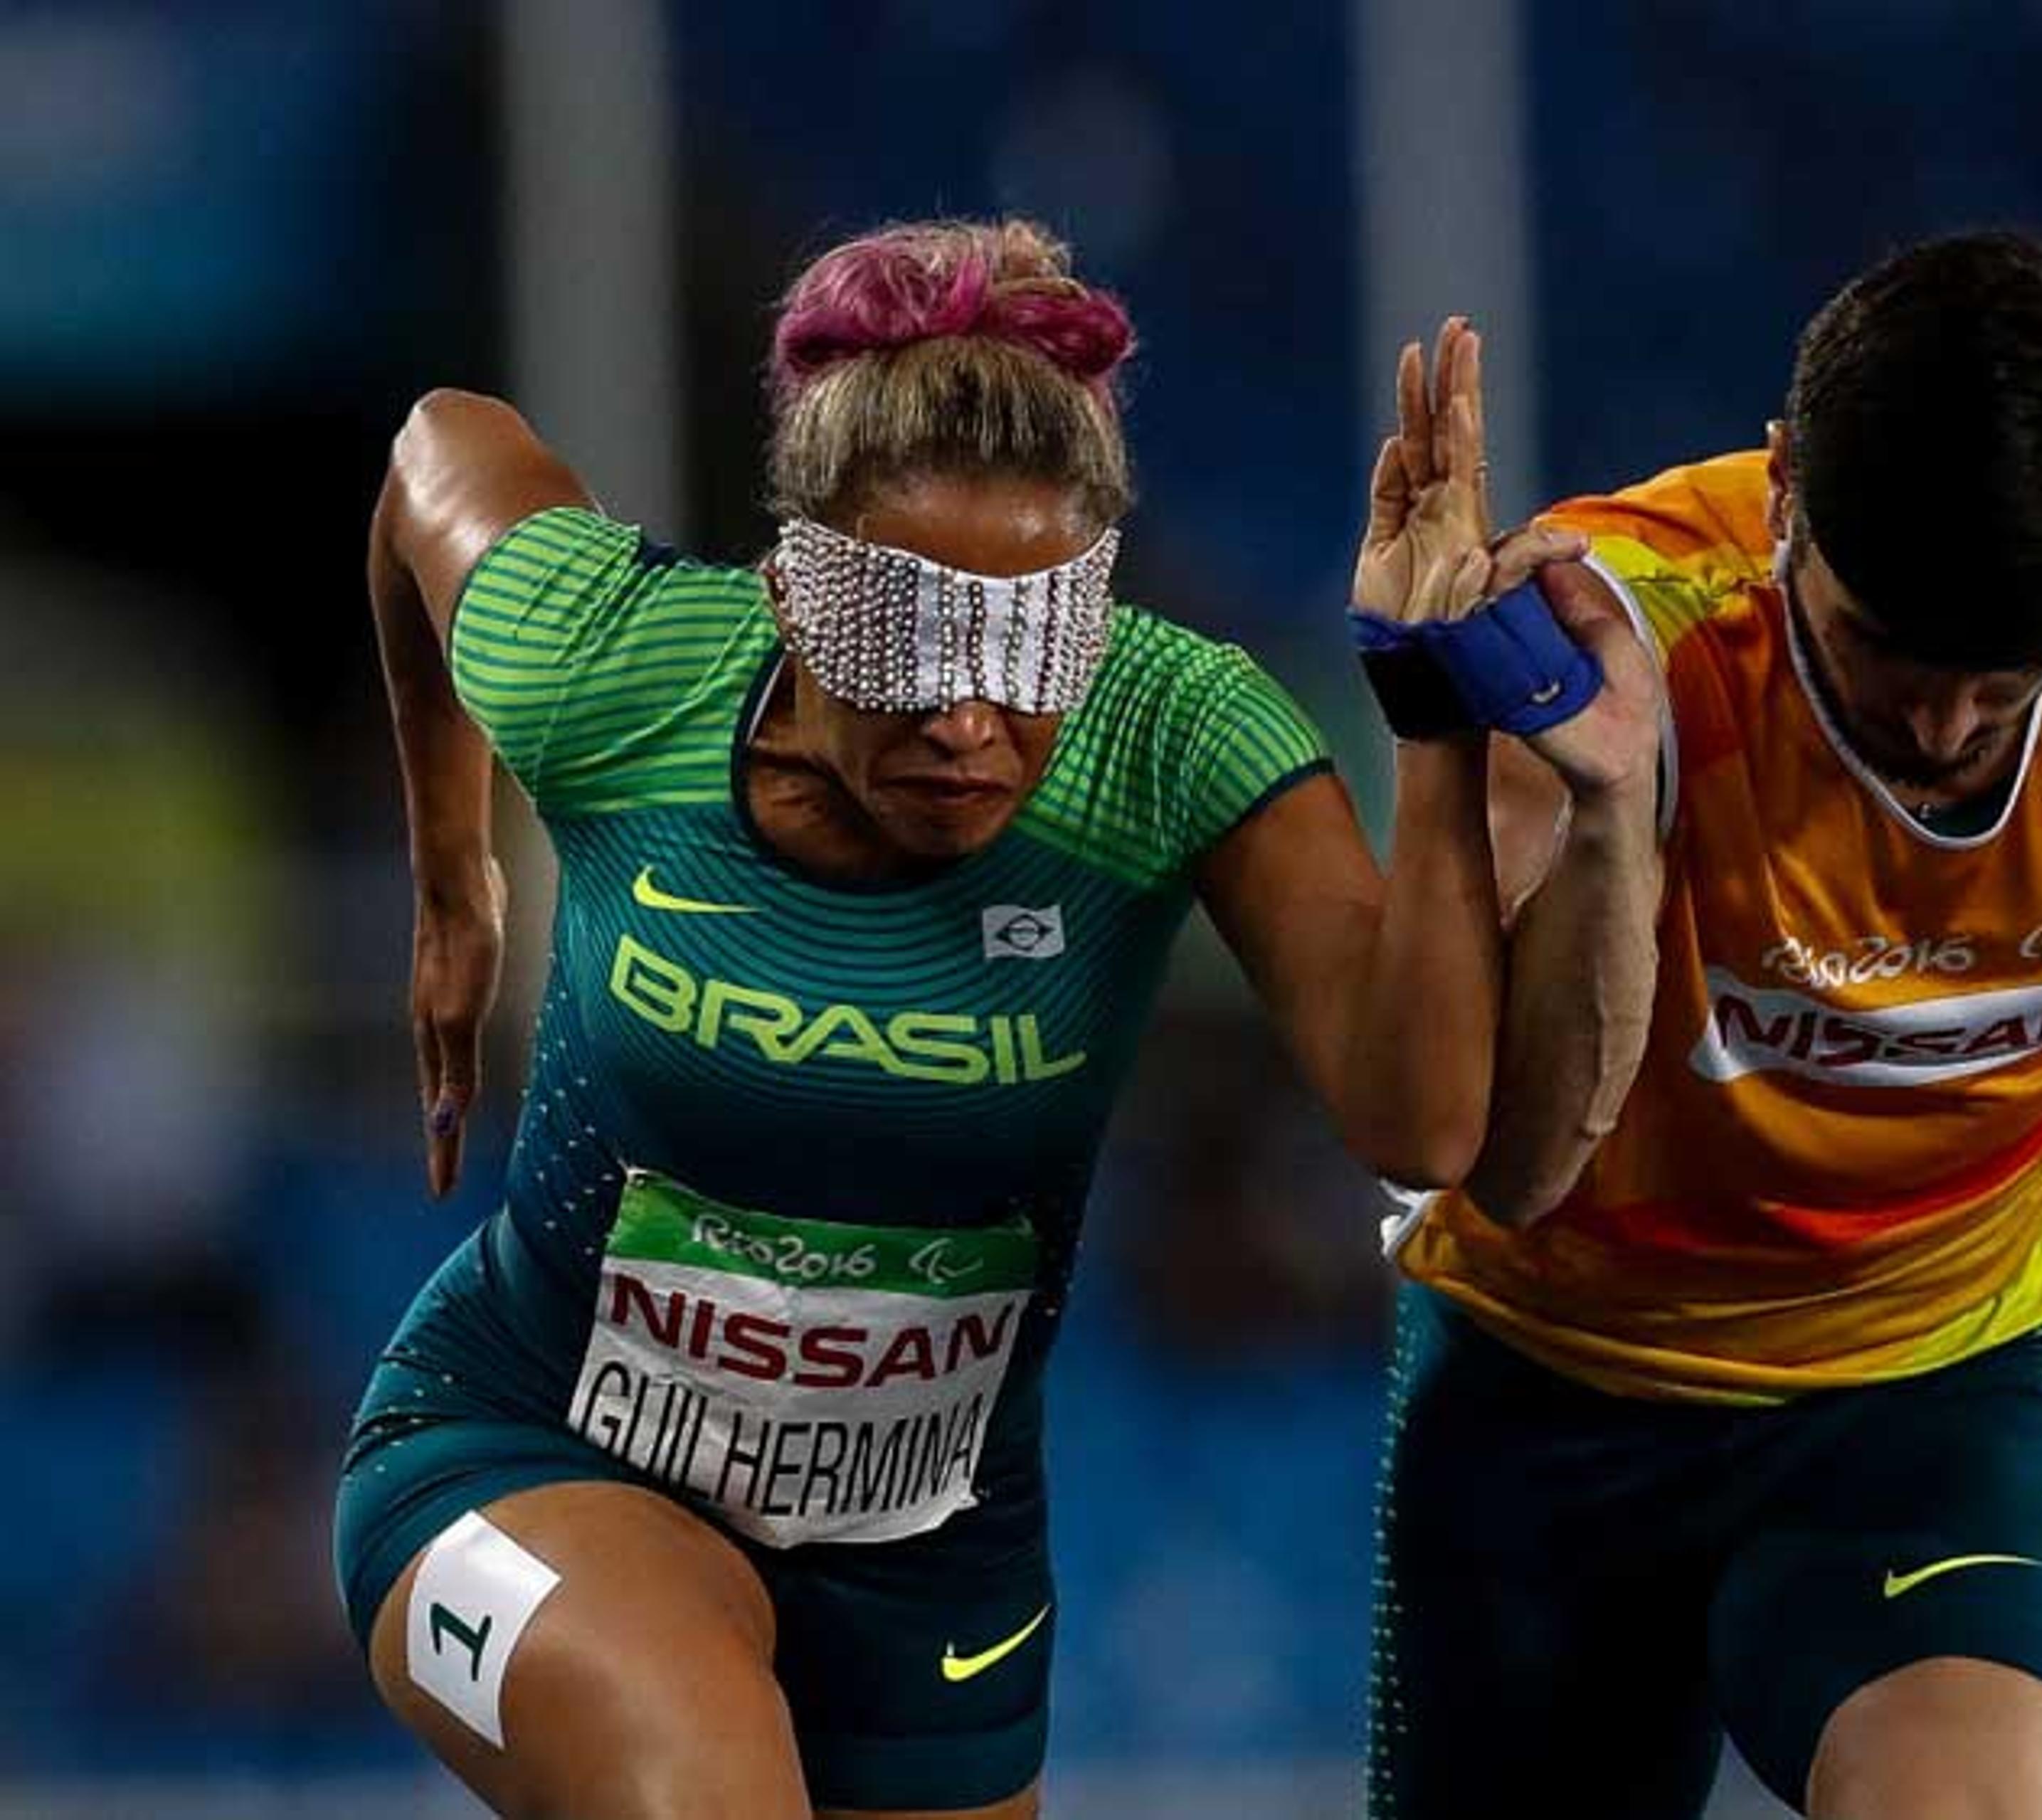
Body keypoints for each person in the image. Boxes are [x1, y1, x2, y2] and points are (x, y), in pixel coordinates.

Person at [337, 216, 1573, 1820]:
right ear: (790, 593)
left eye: (1030, 642)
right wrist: (454, 889)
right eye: (897, 637)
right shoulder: (613, 661)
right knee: (700, 1786)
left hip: (927, 1562)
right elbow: (438, 450)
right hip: (525, 1454)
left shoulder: (1171, 732)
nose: (966, 717)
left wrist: (1431, 713)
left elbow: (1421, 1123)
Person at [1371, 230, 2042, 1820]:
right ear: (1787, 490)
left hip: (1931, 1392)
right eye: (1877, 653)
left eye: (1999, 684)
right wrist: (1606, 818)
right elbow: (1515, 1166)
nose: (1935, 731)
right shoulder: (1609, 656)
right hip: (1556, 1388)